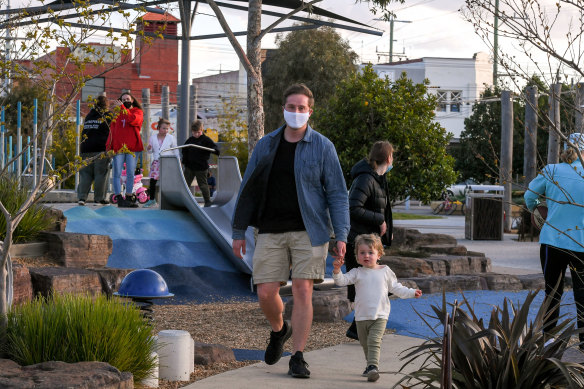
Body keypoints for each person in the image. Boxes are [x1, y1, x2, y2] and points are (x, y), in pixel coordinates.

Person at [231, 83, 349, 379]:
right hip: (270, 229)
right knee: (266, 291)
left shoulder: (323, 146)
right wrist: (238, 230)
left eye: (301, 108)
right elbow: (249, 189)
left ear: (310, 111)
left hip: (309, 231)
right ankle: (279, 329)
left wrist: (342, 234)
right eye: (291, 107)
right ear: (283, 109)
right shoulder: (266, 145)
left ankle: (297, 356)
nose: (296, 112)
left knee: (302, 289)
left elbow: (337, 193)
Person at [332, 233, 422, 382]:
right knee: (364, 343)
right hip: (361, 316)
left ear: (379, 254)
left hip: (380, 315)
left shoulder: (385, 271)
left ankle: (373, 367)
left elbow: (396, 288)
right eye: (362, 253)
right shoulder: (357, 273)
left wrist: (412, 292)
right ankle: (370, 366)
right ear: (357, 256)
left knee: (374, 341)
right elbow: (341, 281)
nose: (366, 256)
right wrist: (336, 270)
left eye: (370, 252)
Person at [525, 132, 584, 347]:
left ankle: (549, 338)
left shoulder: (551, 171)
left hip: (553, 241)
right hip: (581, 243)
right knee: (583, 293)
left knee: (552, 291)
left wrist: (540, 207)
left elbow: (529, 196)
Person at [344, 141, 395, 340]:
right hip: (360, 244)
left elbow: (382, 208)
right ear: (388, 158)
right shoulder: (366, 179)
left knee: (371, 287)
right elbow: (354, 208)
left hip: (369, 243)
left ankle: (358, 330)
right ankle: (361, 330)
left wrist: (386, 229)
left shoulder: (378, 178)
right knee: (368, 287)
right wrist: (380, 220)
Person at [106, 92, 144, 208]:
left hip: (132, 148)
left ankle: (128, 197)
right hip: (119, 148)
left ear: (132, 100)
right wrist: (109, 147)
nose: (126, 101)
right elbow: (111, 132)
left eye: (128, 99)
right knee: (117, 173)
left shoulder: (138, 111)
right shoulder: (117, 115)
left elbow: (133, 120)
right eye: (123, 100)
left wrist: (123, 108)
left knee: (130, 173)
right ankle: (118, 197)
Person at [77, 95, 111, 206]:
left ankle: (82, 198)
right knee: (100, 174)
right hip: (100, 149)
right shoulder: (108, 116)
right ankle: (99, 199)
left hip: (85, 148)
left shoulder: (89, 116)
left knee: (85, 174)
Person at [182, 120, 220, 207]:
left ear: (201, 130)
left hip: (201, 167)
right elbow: (184, 150)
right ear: (192, 131)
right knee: (185, 184)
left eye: (198, 132)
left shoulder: (205, 140)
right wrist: (184, 161)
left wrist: (216, 150)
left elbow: (214, 147)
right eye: (194, 133)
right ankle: (184, 200)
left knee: (203, 185)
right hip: (190, 166)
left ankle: (207, 201)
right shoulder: (190, 140)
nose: (196, 135)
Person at [144, 118, 178, 208]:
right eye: (164, 128)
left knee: (168, 182)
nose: (166, 130)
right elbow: (150, 151)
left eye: (167, 128)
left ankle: (170, 199)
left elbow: (175, 150)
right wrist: (149, 148)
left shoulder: (171, 138)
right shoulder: (153, 137)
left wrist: (178, 162)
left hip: (167, 161)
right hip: (156, 162)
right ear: (158, 128)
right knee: (153, 181)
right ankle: (152, 200)